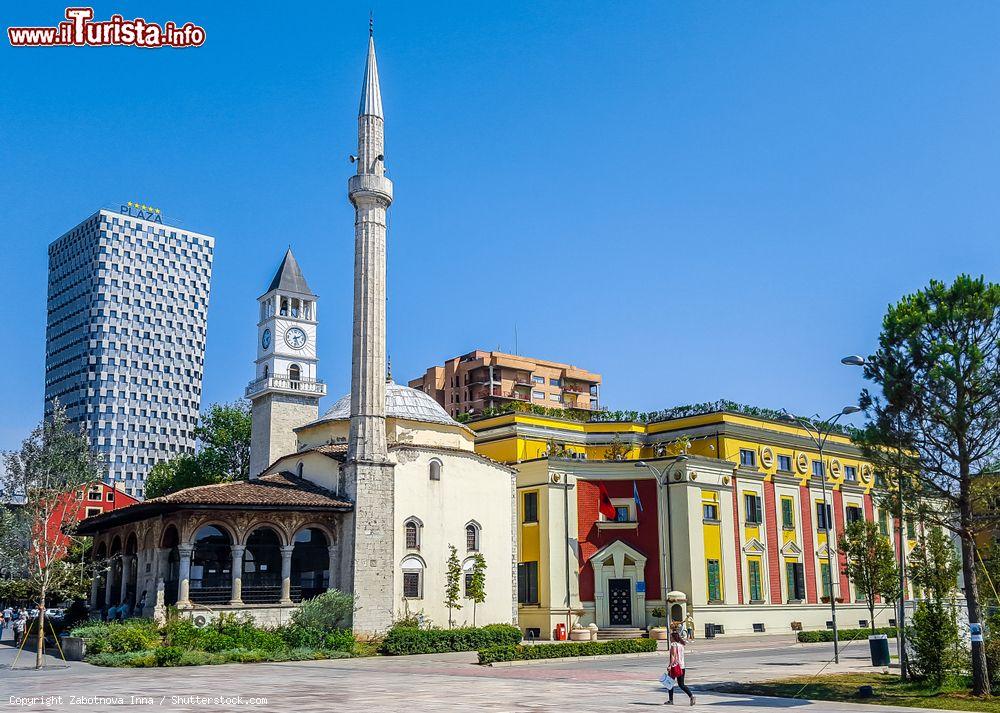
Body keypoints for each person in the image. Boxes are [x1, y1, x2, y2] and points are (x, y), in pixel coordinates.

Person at [666, 630, 694, 705]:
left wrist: (670, 665)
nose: (670, 638)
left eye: (671, 637)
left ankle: (671, 700)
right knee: (681, 684)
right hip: (682, 666)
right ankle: (691, 696)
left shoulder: (674, 644)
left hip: (675, 666)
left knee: (669, 683)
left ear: (674, 638)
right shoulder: (681, 645)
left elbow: (673, 655)